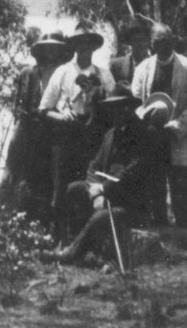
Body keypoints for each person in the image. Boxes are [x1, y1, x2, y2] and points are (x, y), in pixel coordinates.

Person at [56, 84, 165, 267]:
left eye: (122, 107)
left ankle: (70, 255)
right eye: (113, 108)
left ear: (130, 108)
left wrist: (104, 190)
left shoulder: (144, 134)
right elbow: (93, 166)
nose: (117, 112)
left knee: (102, 217)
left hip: (130, 204)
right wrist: (94, 188)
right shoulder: (110, 134)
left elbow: (132, 173)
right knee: (74, 190)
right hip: (104, 194)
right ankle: (76, 244)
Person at [38, 24, 113, 233]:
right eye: (80, 44)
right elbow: (44, 109)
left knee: (88, 183)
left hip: (93, 135)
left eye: (88, 44)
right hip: (66, 135)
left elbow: (115, 108)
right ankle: (59, 235)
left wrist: (98, 100)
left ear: (94, 47)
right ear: (75, 47)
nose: (84, 48)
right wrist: (61, 116)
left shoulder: (104, 75)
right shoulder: (62, 72)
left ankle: (86, 235)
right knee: (62, 184)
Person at [131, 24, 187, 231]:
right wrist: (145, 123)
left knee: (181, 184)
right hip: (152, 135)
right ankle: (160, 230)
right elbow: (136, 101)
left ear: (172, 41)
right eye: (156, 42)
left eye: (165, 42)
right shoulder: (142, 68)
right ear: (151, 43)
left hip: (178, 136)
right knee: (154, 183)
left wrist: (176, 126)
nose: (161, 46)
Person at [0, 31, 68, 218]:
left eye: (56, 48)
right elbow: (21, 107)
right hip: (28, 128)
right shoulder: (29, 73)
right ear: (41, 50)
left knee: (47, 176)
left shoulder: (65, 72)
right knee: (16, 171)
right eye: (47, 48)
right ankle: (8, 212)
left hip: (53, 129)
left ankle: (44, 217)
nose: (51, 52)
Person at [109, 17, 151, 86]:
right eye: (136, 40)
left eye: (143, 40)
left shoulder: (156, 66)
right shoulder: (116, 66)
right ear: (130, 42)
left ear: (148, 42)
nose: (140, 44)